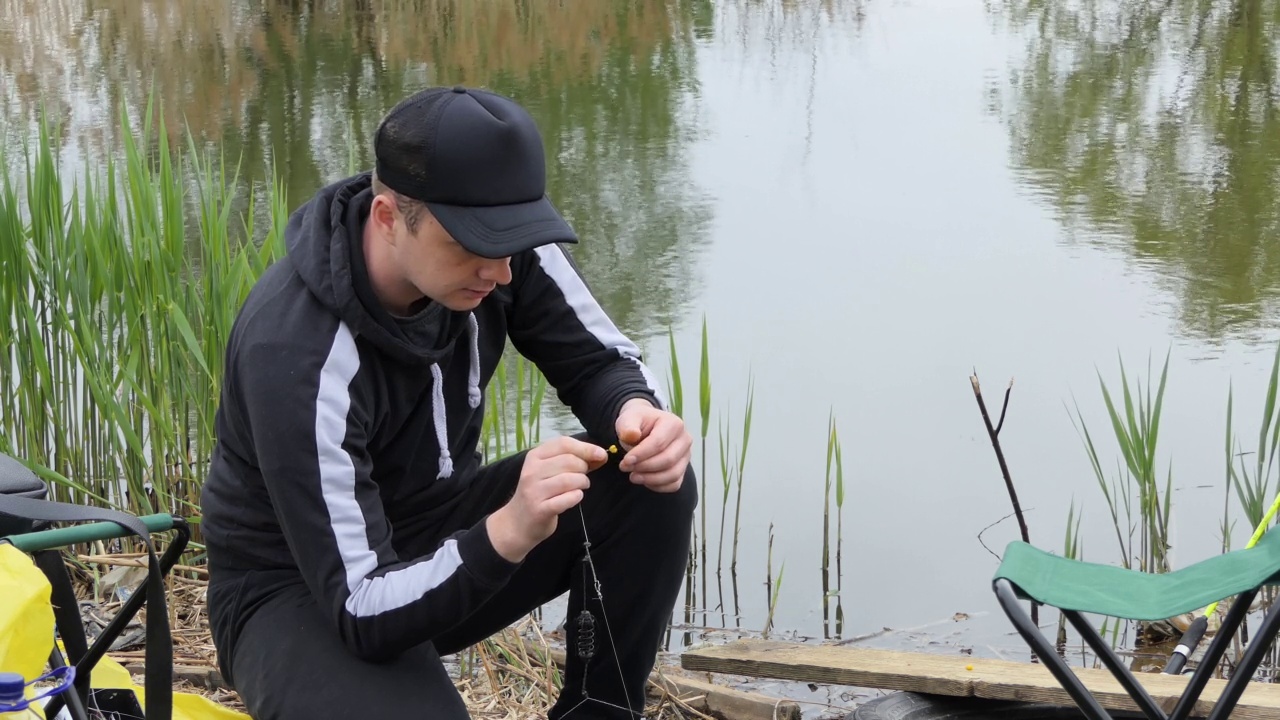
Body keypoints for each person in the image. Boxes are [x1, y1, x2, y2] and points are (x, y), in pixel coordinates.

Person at [199, 85, 698, 720]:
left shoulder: (501, 247)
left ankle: (597, 711)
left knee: (647, 480)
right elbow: (359, 605)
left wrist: (636, 413)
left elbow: (602, 362)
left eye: (511, 241)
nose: (501, 271)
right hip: (300, 589)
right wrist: (507, 531)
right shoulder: (297, 351)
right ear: (387, 217)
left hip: (436, 526)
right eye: (473, 243)